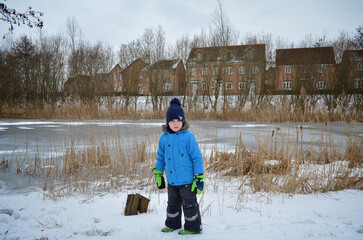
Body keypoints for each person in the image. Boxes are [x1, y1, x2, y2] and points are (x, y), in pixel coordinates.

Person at [152, 98, 204, 235]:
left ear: (183, 122)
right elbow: (161, 157)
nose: (175, 124)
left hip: (187, 181)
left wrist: (199, 177)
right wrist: (158, 173)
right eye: (172, 121)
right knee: (172, 204)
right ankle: (172, 224)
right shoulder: (164, 138)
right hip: (172, 180)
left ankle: (193, 227)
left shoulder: (188, 137)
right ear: (167, 122)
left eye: (178, 121)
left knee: (190, 205)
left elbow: (197, 158)